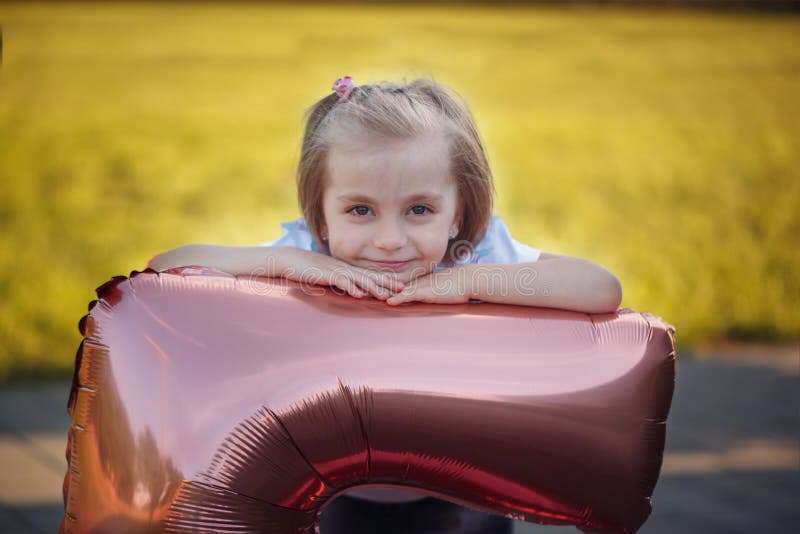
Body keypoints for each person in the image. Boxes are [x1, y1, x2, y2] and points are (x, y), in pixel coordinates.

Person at [148, 76, 623, 533]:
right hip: (333, 497)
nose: (391, 241)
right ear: (322, 215)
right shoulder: (307, 253)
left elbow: (601, 287)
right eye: (360, 210)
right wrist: (289, 262)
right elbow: (166, 267)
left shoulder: (469, 254)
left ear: (456, 212)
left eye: (420, 210)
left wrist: (468, 281)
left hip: (464, 495)